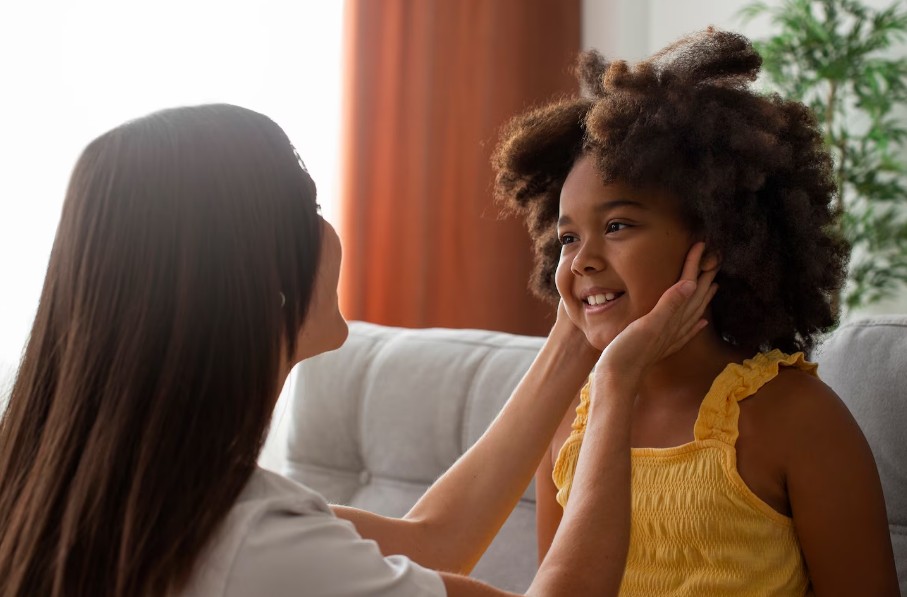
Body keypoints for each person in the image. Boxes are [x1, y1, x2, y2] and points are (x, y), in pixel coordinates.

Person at [0, 103, 717, 597]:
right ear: (258, 280)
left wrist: (578, 337)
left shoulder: (114, 492)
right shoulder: (252, 541)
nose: (328, 228)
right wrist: (615, 382)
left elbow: (434, 541)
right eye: (309, 209)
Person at [491, 27, 899, 596]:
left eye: (618, 226)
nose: (582, 260)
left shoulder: (794, 418)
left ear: (716, 239)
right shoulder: (566, 425)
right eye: (566, 239)